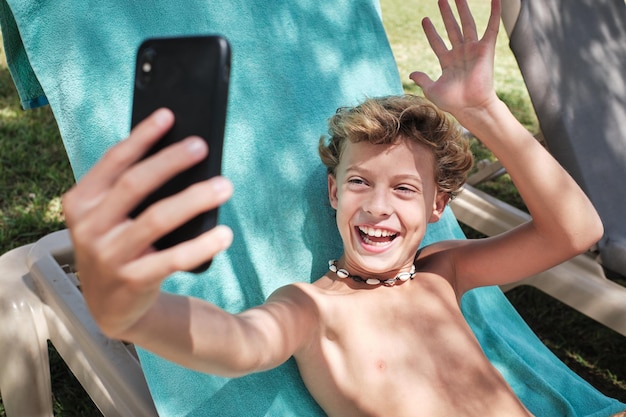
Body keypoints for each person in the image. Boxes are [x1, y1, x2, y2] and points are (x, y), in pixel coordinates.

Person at [62, 0, 609, 415]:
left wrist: (487, 110)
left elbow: (577, 231)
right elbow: (236, 342)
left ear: (438, 204)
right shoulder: (311, 309)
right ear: (332, 192)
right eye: (358, 182)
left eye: (403, 190)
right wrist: (134, 313)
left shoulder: (444, 271)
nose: (376, 207)